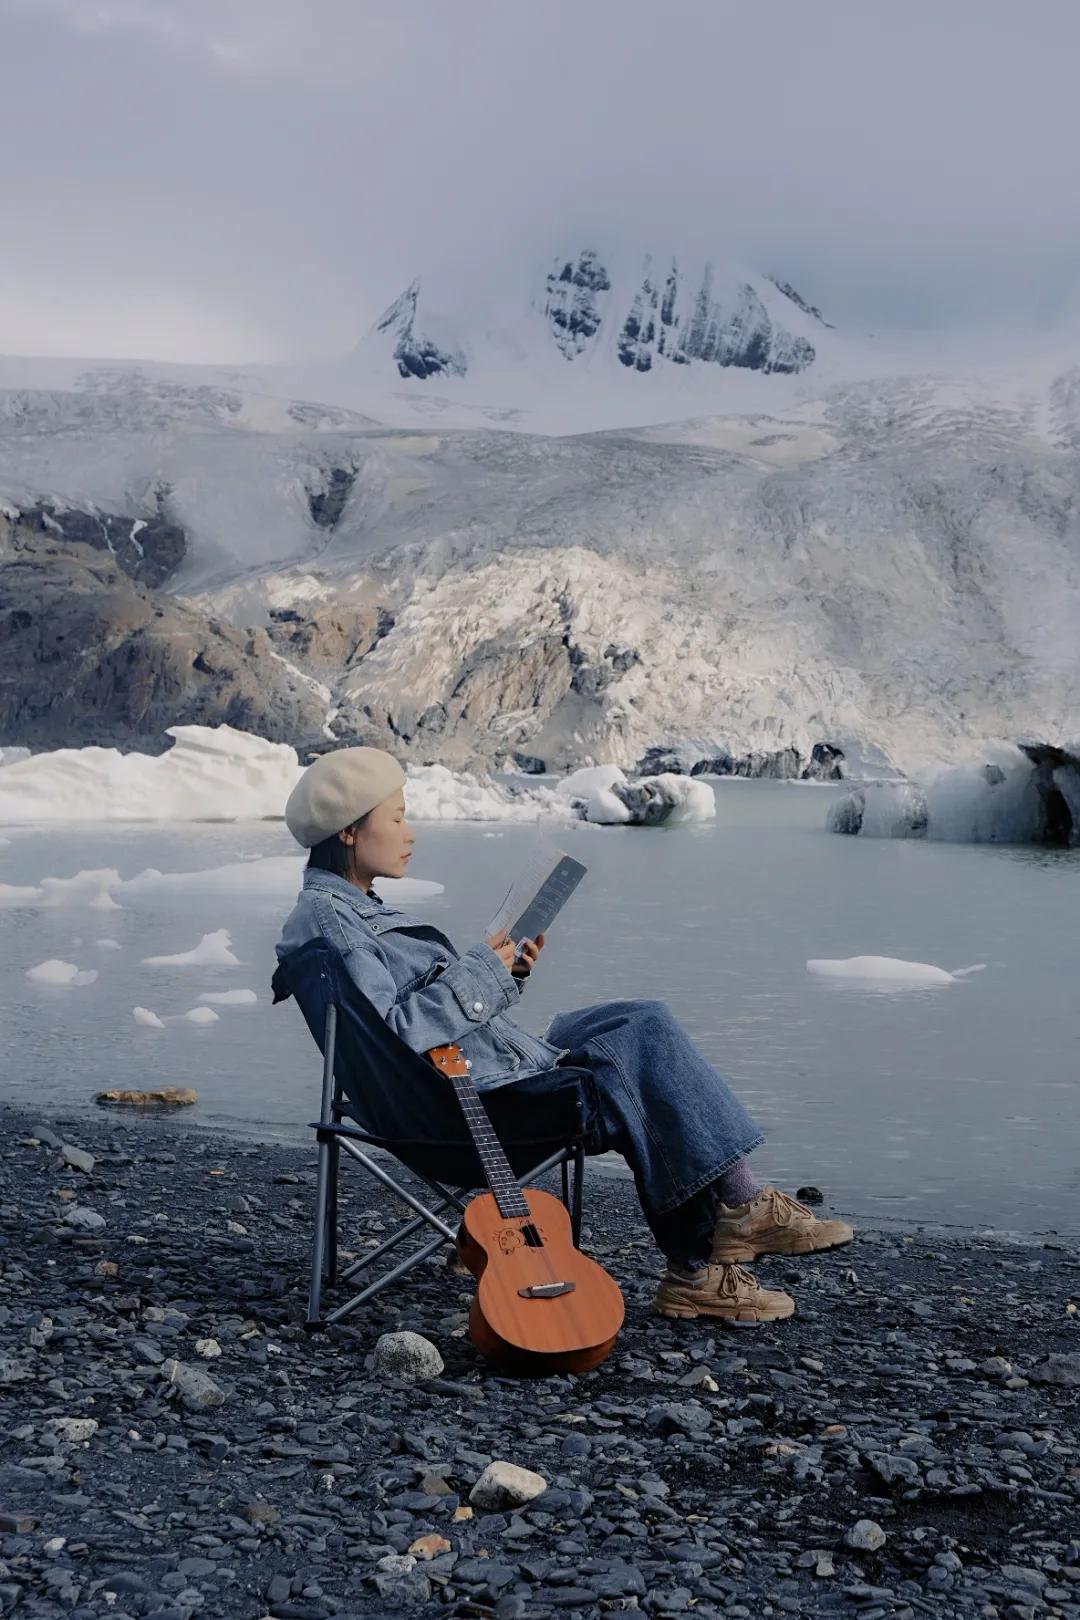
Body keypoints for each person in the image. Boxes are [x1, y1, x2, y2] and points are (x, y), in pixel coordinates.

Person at [275, 747, 854, 1325]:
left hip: (463, 1083)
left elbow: (402, 1019)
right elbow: (397, 1035)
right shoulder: (334, 922)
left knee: (635, 1020)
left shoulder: (343, 911)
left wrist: (504, 972)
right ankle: (707, 1256)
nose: (410, 832)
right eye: (397, 817)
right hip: (458, 1111)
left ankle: (730, 1223)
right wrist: (483, 972)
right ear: (349, 831)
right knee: (637, 1065)